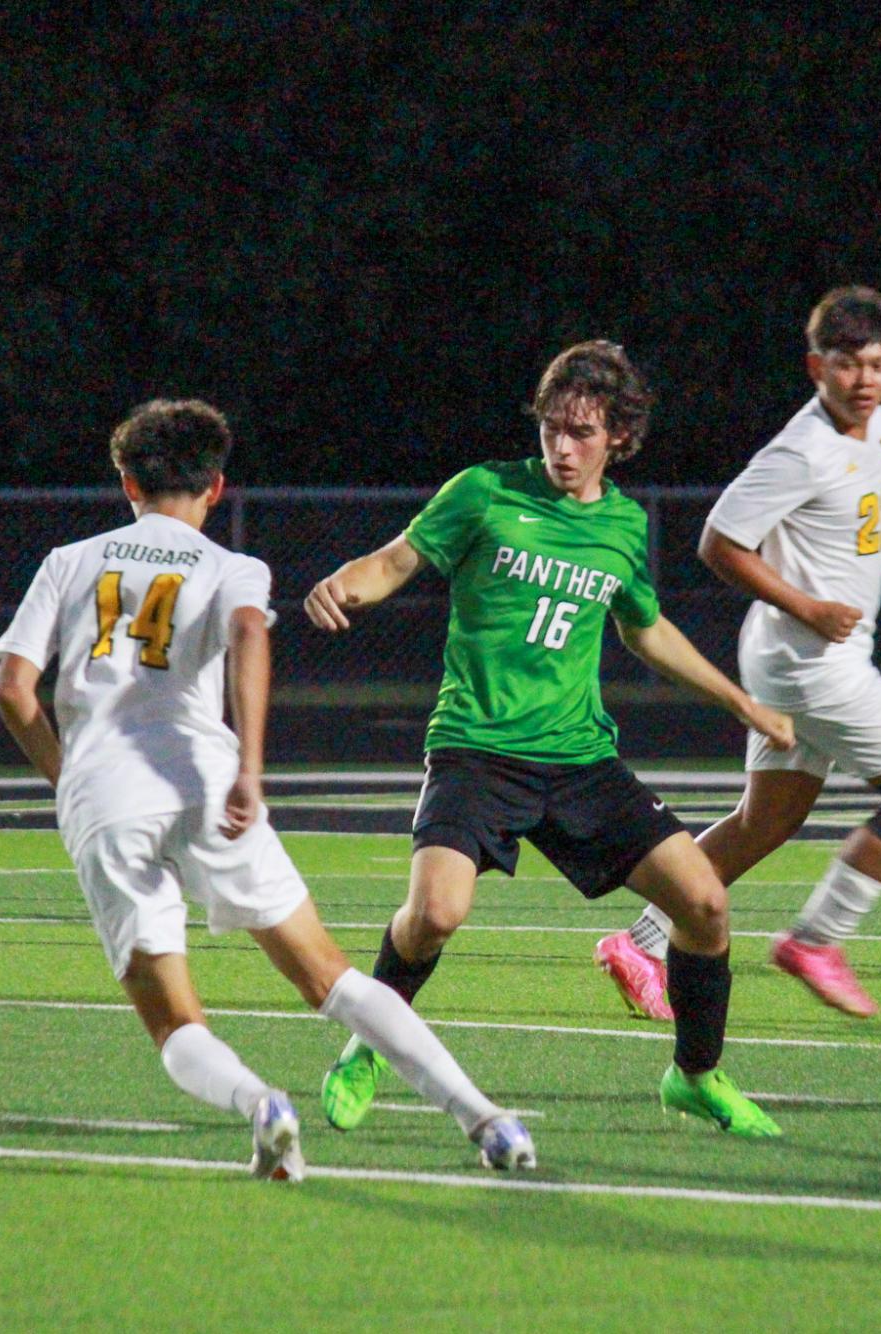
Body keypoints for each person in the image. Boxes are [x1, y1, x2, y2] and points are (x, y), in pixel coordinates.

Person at [0, 398, 533, 1180]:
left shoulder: (69, 561)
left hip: (106, 796)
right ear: (216, 487)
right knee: (329, 977)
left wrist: (66, 773)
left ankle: (259, 1105)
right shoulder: (230, 567)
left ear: (124, 481)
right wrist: (247, 767)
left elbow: (12, 689)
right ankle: (487, 1119)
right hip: (208, 781)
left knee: (173, 1020)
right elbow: (248, 632)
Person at [303, 341, 796, 1138]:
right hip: (475, 747)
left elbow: (645, 630)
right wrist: (343, 584)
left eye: (583, 433)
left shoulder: (622, 526)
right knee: (434, 914)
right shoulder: (485, 492)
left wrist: (738, 700)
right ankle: (366, 1046)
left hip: (578, 760)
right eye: (552, 430)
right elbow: (396, 560)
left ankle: (694, 1075)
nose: (563, 448)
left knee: (703, 901)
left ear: (618, 438)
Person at [593, 286, 881, 1022]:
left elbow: (867, 525)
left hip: (803, 655)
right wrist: (804, 606)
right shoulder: (799, 450)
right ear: (814, 367)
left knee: (763, 823)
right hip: (807, 663)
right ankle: (816, 940)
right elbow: (718, 542)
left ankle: (639, 941)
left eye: (876, 364)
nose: (862, 380)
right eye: (845, 365)